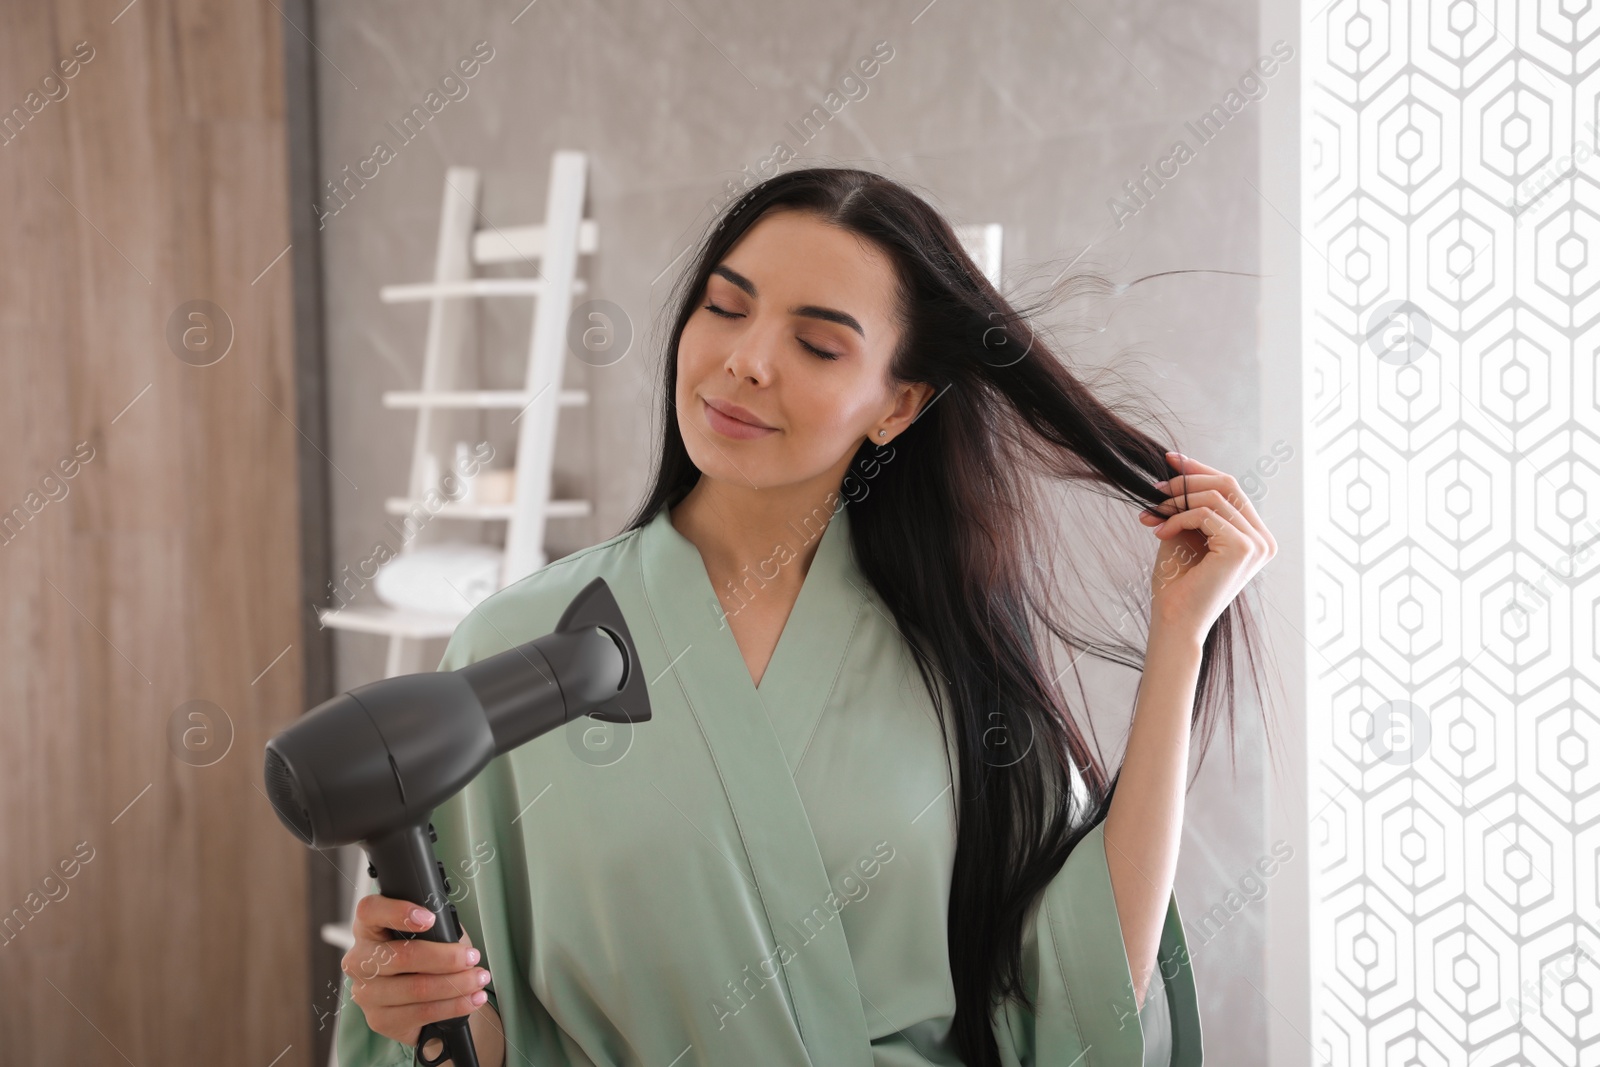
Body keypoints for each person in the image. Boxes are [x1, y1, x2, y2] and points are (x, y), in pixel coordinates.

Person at [333, 166, 1278, 1067]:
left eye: (818, 343)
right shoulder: (516, 649)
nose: (745, 361)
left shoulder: (959, 667)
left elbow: (1086, 991)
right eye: (724, 306)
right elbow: (484, 1044)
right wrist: (421, 1006)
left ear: (898, 405)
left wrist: (1179, 638)